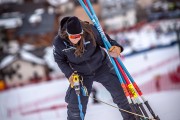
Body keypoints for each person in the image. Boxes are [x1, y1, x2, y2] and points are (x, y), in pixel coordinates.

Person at [53, 16, 136, 120]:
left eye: (79, 35)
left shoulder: (90, 30)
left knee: (122, 95)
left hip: (102, 66)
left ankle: (132, 118)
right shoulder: (59, 42)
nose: (77, 38)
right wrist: (70, 74)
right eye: (73, 37)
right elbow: (59, 60)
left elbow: (107, 41)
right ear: (67, 34)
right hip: (80, 74)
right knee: (75, 106)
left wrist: (116, 48)